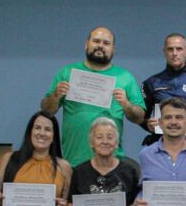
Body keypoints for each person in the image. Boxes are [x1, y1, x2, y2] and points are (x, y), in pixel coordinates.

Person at [41, 26, 145, 166]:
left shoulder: (125, 78)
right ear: (86, 44)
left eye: (106, 43)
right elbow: (47, 111)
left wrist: (126, 104)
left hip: (111, 162)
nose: (100, 46)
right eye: (96, 41)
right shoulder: (67, 72)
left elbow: (139, 118)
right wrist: (56, 95)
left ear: (113, 49)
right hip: (73, 160)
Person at [140, 33, 186, 146]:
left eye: (179, 49)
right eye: (170, 49)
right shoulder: (151, 82)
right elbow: (141, 116)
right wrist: (147, 125)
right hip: (160, 146)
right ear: (164, 52)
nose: (174, 53)